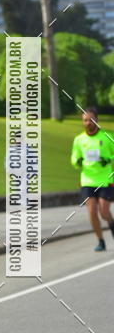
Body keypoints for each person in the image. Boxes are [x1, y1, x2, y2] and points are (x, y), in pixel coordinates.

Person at [70, 107, 114, 252]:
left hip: (104, 179)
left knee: (104, 212)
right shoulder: (79, 140)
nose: (88, 122)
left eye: (91, 119)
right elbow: (74, 158)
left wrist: (107, 159)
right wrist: (78, 161)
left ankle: (111, 224)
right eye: (85, 120)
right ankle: (101, 241)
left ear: (97, 120)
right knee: (92, 211)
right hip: (87, 180)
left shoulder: (106, 137)